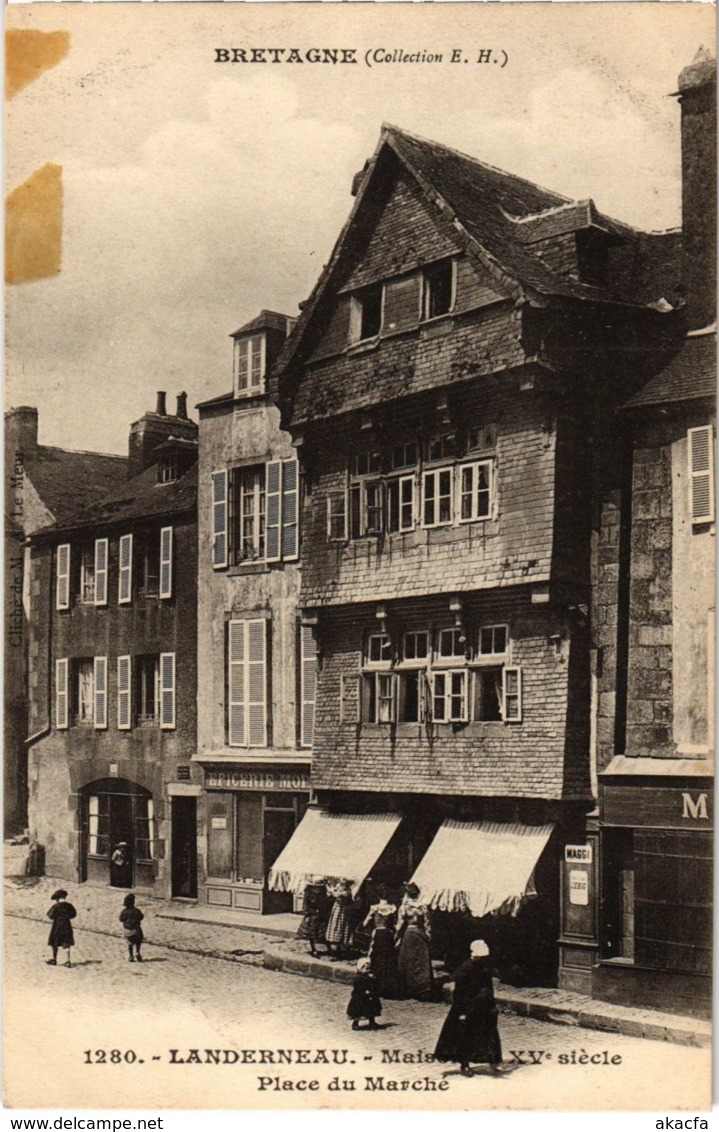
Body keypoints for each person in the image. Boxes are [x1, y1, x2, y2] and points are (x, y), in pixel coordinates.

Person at [433, 939, 503, 1077]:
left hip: (485, 1006)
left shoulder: (484, 966)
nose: (482, 959)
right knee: (466, 1037)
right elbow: (459, 993)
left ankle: (492, 1064)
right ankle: (464, 1065)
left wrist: (492, 1005)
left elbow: (489, 986)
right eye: (480, 957)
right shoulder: (466, 968)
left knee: (489, 1035)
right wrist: (462, 1012)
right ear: (474, 955)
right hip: (468, 1007)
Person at [395, 881, 433, 999]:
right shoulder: (423, 907)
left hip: (409, 934)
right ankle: (422, 987)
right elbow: (427, 924)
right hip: (420, 933)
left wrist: (396, 935)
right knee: (421, 960)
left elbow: (400, 923)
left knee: (408, 960)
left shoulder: (405, 907)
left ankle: (408, 986)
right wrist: (428, 936)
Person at [362, 885, 401, 998]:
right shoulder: (392, 908)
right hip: (388, 935)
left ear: (377, 895)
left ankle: (377, 986)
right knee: (388, 959)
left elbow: (365, 923)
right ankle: (389, 987)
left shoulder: (375, 908)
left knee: (376, 958)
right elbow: (395, 924)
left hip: (378, 934)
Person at [297, 877, 330, 957]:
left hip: (321, 915)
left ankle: (328, 948)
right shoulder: (308, 892)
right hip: (312, 915)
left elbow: (325, 903)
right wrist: (307, 914)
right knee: (311, 933)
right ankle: (313, 949)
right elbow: (305, 905)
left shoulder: (323, 892)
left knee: (322, 932)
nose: (317, 888)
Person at [347, 958, 382, 1030]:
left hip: (370, 996)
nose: (368, 970)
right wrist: (363, 991)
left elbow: (372, 984)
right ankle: (355, 1023)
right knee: (359, 1010)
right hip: (361, 997)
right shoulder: (359, 978)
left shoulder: (369, 976)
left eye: (369, 968)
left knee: (372, 1008)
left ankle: (372, 1022)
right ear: (360, 969)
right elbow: (357, 988)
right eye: (366, 969)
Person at [325, 878, 354, 959]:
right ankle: (334, 949)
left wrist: (333, 891)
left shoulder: (347, 891)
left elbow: (337, 895)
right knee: (335, 926)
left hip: (343, 911)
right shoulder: (338, 887)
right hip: (337, 909)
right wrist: (331, 889)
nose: (341, 882)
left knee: (342, 926)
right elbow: (331, 894)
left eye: (344, 881)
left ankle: (341, 949)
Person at [46, 889, 76, 967]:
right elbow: (73, 914)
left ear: (58, 899)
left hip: (57, 926)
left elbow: (50, 916)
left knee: (54, 942)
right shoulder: (69, 906)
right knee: (66, 942)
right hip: (66, 925)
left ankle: (54, 959)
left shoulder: (56, 906)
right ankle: (67, 960)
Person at [119, 893, 144, 962]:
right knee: (139, 940)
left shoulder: (124, 911)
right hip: (136, 930)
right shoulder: (137, 911)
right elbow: (141, 917)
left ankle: (131, 956)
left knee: (129, 944)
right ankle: (137, 952)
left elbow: (121, 919)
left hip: (127, 930)